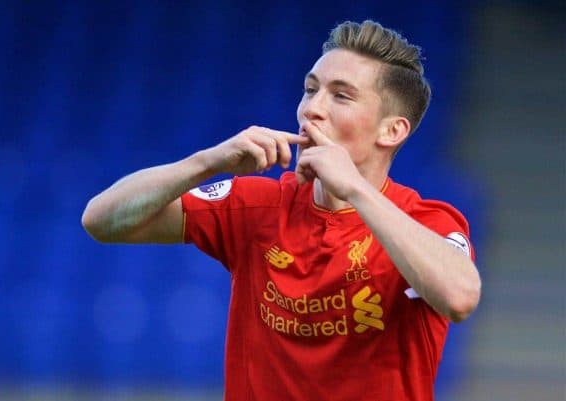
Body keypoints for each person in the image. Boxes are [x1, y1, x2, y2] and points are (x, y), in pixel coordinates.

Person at [82, 19, 481, 401]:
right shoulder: (257, 206)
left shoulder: (424, 223)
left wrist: (356, 189)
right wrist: (206, 162)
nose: (312, 109)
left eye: (340, 95)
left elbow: (459, 297)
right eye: (311, 89)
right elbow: (102, 220)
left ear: (392, 130)